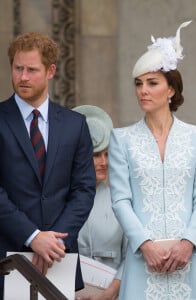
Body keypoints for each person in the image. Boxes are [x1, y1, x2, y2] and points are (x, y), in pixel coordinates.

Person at [108, 21, 196, 299]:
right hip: (142, 259)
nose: (143, 90)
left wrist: (188, 243)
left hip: (188, 259)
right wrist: (144, 244)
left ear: (171, 90)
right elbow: (120, 200)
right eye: (138, 83)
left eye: (152, 83)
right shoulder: (122, 139)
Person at [0, 32, 96, 299]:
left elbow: (84, 189)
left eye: (32, 70)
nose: (23, 77)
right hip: (6, 257)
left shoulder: (75, 124)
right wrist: (33, 237)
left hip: (59, 259)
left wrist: (55, 243)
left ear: (51, 70)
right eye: (18, 68)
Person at [73, 105, 127, 300]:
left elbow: (133, 255)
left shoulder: (121, 199)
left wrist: (109, 294)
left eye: (107, 154)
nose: (104, 162)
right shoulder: (57, 200)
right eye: (96, 155)